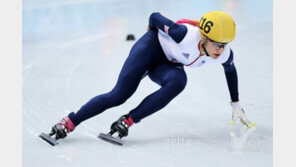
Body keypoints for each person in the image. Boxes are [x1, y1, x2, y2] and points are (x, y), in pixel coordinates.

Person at [50, 11, 255, 141]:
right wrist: (151, 35)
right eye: (216, 44)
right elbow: (154, 17)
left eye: (224, 45)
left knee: (179, 81)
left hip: (167, 64)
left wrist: (236, 104)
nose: (220, 50)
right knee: (119, 96)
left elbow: (230, 70)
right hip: (149, 49)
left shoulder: (224, 53)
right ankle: (69, 122)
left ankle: (128, 120)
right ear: (203, 37)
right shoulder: (183, 34)